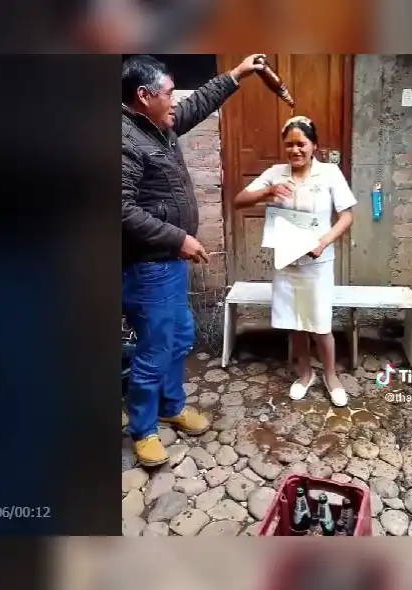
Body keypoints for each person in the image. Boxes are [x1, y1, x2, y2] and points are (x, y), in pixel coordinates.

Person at [122, 53, 267, 467]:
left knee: (180, 337)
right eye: (168, 93)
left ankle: (171, 405)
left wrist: (236, 75)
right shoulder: (124, 140)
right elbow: (122, 209)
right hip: (147, 266)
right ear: (143, 95)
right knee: (154, 348)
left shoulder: (157, 124)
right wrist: (178, 238)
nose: (175, 100)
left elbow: (195, 105)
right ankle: (144, 429)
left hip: (167, 265)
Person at [233, 116, 357, 407]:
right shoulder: (276, 173)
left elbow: (348, 215)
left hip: (317, 263)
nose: (295, 150)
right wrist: (267, 191)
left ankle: (331, 376)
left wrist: (323, 242)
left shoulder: (329, 174)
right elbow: (239, 199)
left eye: (301, 144)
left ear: (314, 145)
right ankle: (305, 374)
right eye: (289, 144)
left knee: (320, 323)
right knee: (295, 323)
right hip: (287, 261)